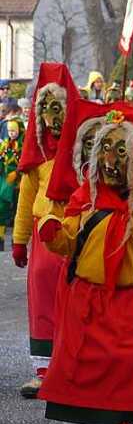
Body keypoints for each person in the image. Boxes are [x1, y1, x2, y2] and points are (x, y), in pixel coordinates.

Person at [36, 107, 133, 424]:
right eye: (105, 150)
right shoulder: (83, 199)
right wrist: (52, 231)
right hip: (90, 306)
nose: (111, 160)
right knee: (94, 391)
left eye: (121, 151)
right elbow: (68, 242)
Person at [11, 63, 80, 399]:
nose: (52, 116)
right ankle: (43, 369)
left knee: (76, 301)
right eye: (46, 108)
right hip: (43, 233)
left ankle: (73, 368)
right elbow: (26, 198)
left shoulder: (82, 148)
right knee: (42, 296)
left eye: (58, 108)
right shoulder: (36, 154)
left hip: (75, 232)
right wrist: (20, 240)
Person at [0, 115, 24, 249]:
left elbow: (26, 163)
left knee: (17, 211)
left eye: (14, 131)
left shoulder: (23, 146)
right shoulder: (5, 145)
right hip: (5, 182)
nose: (11, 134)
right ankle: (1, 239)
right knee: (2, 209)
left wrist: (17, 173)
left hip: (18, 183)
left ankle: (17, 241)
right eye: (9, 131)